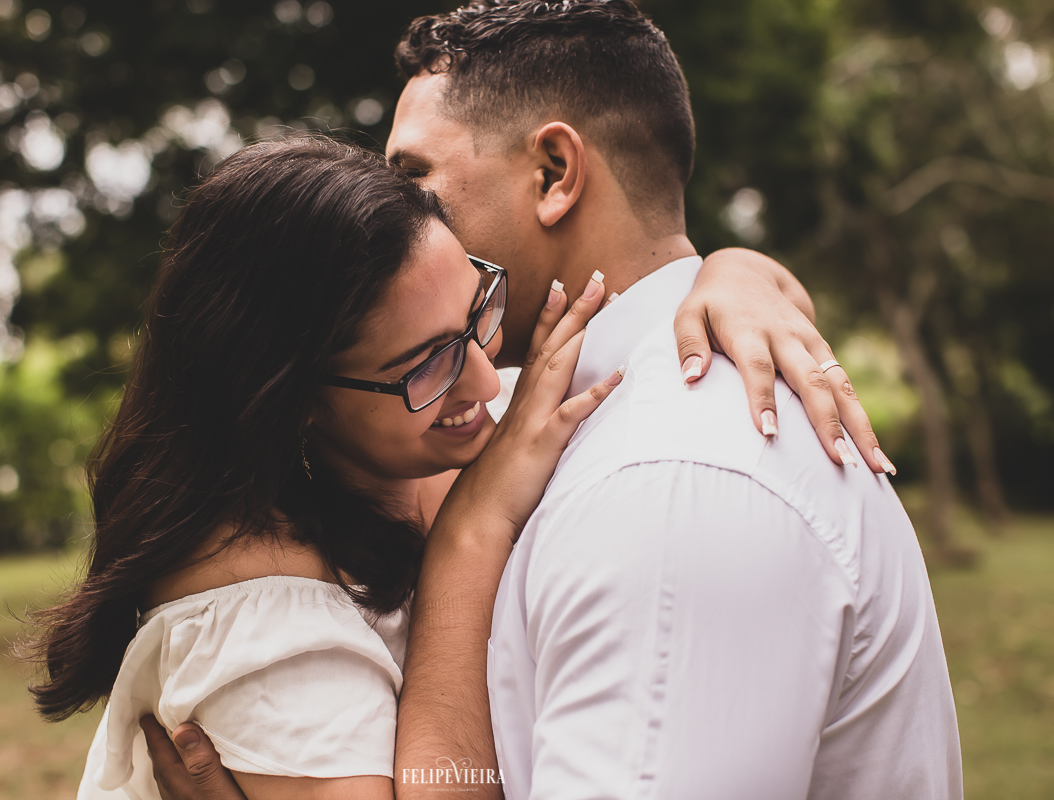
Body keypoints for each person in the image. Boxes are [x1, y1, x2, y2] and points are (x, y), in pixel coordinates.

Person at [147, 2, 961, 799]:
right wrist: (736, 267)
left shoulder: (666, 488)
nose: (393, 222)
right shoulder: (528, 418)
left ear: (553, 175)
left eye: (416, 180)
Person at [34, 135, 861, 799]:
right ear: (291, 401)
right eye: (426, 362)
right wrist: (472, 533)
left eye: (479, 310)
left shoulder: (413, 432)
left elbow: (736, 290)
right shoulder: (262, 612)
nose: (481, 378)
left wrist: (730, 274)